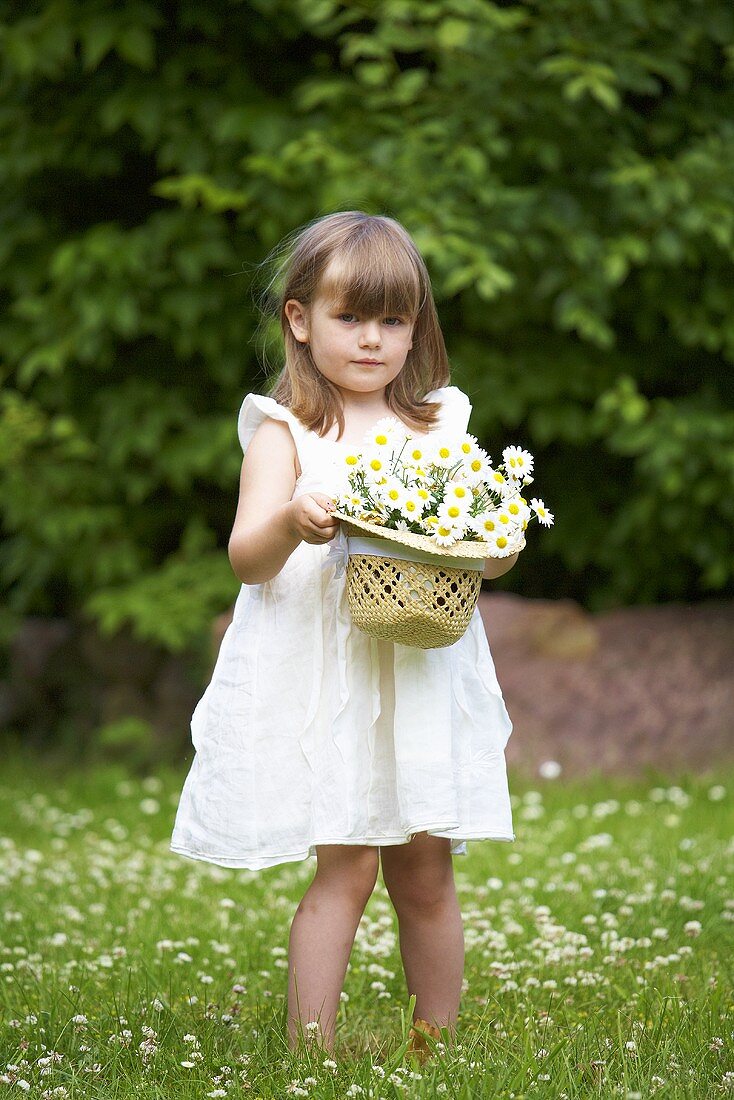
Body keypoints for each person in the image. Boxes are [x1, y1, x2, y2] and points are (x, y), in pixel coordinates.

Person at [170, 210, 520, 1059]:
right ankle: (310, 1050)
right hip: (331, 680)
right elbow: (248, 560)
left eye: (392, 321)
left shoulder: (438, 425)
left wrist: (496, 545)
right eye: (349, 317)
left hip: (419, 669)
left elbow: (476, 550)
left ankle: (435, 1043)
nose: (372, 340)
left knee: (428, 870)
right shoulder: (286, 433)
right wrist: (293, 520)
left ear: (416, 331)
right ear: (299, 320)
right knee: (349, 867)